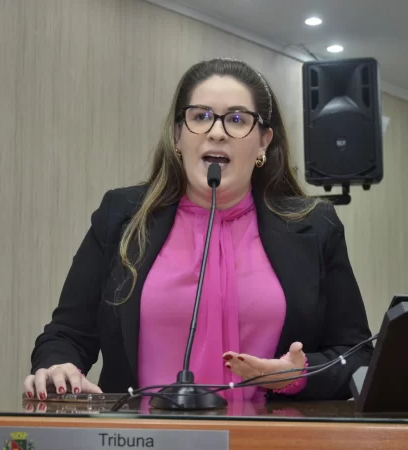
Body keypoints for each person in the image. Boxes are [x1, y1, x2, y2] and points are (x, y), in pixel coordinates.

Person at [24, 58, 373, 404]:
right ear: (178, 135)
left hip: (267, 432)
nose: (216, 132)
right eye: (201, 116)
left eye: (237, 119)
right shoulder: (121, 215)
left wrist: (297, 375)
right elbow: (66, 335)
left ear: (263, 142)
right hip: (141, 433)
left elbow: (357, 356)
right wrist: (59, 367)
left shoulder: (315, 227)